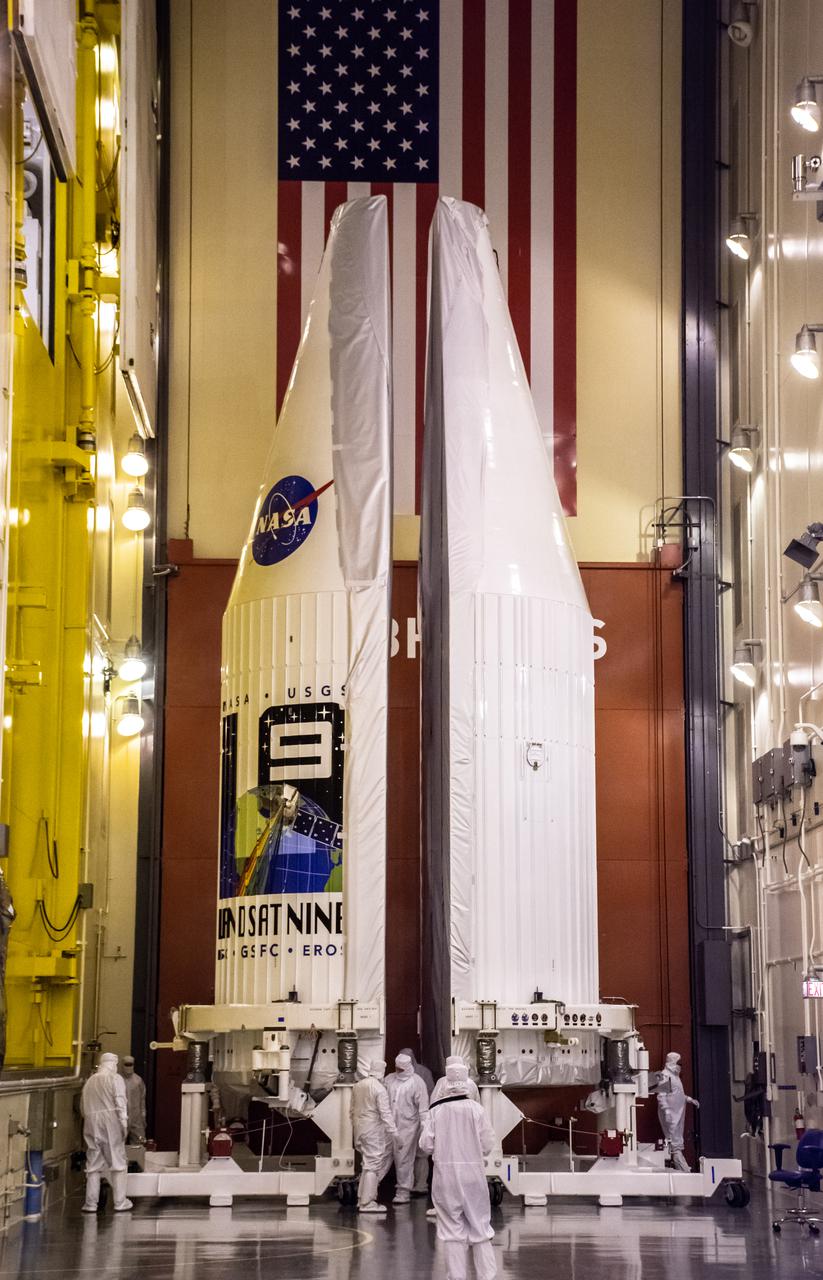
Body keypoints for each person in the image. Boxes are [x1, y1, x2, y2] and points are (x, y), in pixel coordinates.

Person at [419, 1063, 497, 1280]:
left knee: (452, 1232)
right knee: (480, 1227)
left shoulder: (436, 1111)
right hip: (473, 1175)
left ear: (447, 1082)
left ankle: (457, 1277)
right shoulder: (477, 1110)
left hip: (445, 1178)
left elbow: (425, 1145)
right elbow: (488, 1144)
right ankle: (487, 1276)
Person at [81, 1052, 132, 1213]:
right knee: (117, 1162)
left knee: (93, 1164)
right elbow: (120, 1100)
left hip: (90, 1121)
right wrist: (124, 1123)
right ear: (114, 1064)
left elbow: (83, 1106)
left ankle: (90, 1204)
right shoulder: (115, 1079)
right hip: (110, 1120)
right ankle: (120, 1201)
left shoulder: (90, 1081)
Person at [351, 1059, 397, 1214]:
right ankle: (368, 1202)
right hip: (373, 1131)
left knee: (367, 1163)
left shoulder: (358, 1085)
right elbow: (385, 1114)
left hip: (359, 1129)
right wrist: (395, 1133)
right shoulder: (379, 1089)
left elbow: (351, 1111)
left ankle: (361, 1198)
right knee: (373, 1164)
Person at [385, 1053, 429, 1204]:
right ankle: (370, 1189)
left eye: (401, 1069)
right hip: (389, 1125)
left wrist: (424, 1128)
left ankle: (403, 1191)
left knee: (404, 1158)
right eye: (397, 1068)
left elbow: (423, 1109)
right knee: (383, 1156)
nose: (399, 1071)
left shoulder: (417, 1082)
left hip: (408, 1127)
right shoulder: (389, 1079)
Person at [656, 1051, 699, 1172]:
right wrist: (667, 1111)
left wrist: (689, 1099)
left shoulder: (675, 1077)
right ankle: (682, 1167)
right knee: (674, 1143)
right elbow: (661, 1096)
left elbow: (677, 1093)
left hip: (678, 1113)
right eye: (678, 1063)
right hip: (671, 1115)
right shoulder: (665, 1075)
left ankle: (680, 1166)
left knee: (677, 1140)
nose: (680, 1066)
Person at [399, 1046, 434, 1194]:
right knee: (410, 1155)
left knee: (417, 1155)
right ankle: (413, 1186)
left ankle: (418, 1185)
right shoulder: (399, 1076)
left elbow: (430, 1095)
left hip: (415, 1120)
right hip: (408, 1121)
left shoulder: (421, 1075)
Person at [120, 1056, 147, 1145]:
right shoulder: (117, 1080)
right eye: (126, 1064)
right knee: (118, 1144)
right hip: (121, 1117)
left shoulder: (138, 1080)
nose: (128, 1067)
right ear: (122, 1065)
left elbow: (142, 1099)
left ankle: (137, 1159)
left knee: (139, 1142)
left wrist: (143, 1116)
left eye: (130, 1064)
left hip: (136, 1118)